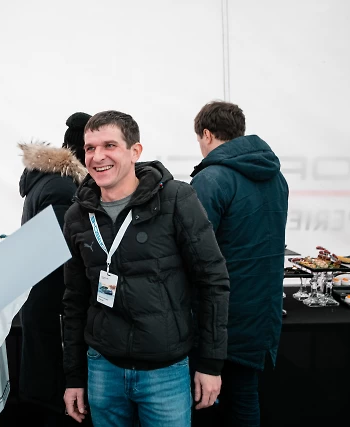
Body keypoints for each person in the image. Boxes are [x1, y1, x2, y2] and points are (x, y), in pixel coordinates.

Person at [61, 110, 230, 427]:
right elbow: (74, 299)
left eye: (109, 145)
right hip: (103, 367)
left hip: (164, 370)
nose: (98, 156)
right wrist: (74, 377)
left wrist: (210, 363)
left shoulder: (175, 199)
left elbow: (212, 281)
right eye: (90, 148)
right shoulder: (78, 215)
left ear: (134, 151)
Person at [189, 101, 289, 427]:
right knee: (244, 399)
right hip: (261, 311)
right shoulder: (276, 178)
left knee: (203, 404)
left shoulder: (211, 179)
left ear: (206, 134)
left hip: (219, 315)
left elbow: (193, 252)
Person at [18, 112, 90, 427]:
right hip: (55, 307)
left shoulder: (48, 180)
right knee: (54, 399)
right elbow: (66, 257)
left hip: (43, 302)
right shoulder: (63, 188)